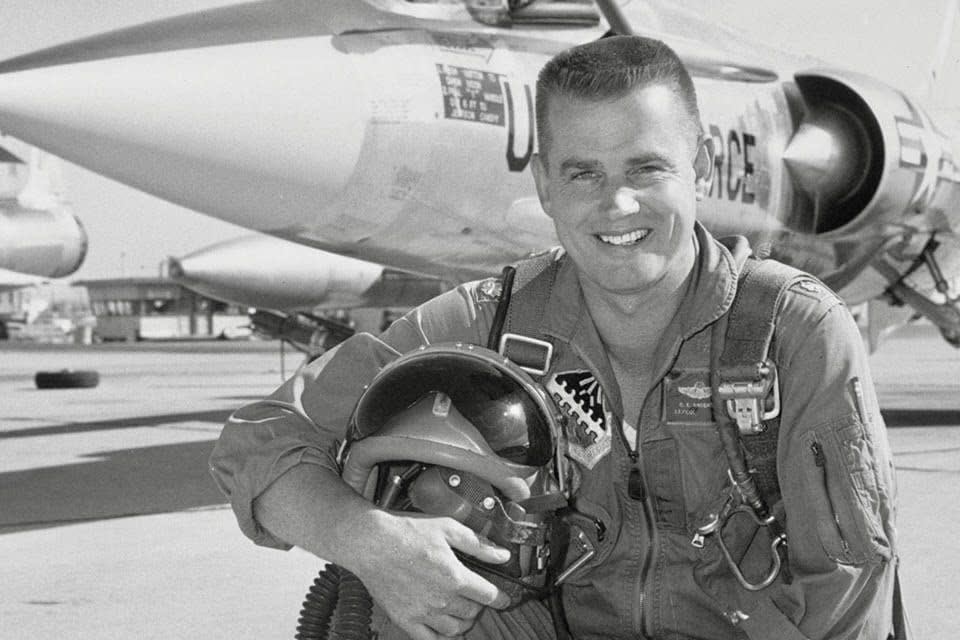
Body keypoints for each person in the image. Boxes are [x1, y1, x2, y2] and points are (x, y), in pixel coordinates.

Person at [210, 35, 898, 640]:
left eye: (646, 168)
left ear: (701, 166)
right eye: (583, 174)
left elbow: (845, 596)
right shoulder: (493, 319)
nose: (617, 204)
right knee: (413, 605)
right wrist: (367, 539)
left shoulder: (794, 329)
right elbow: (258, 439)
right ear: (545, 184)